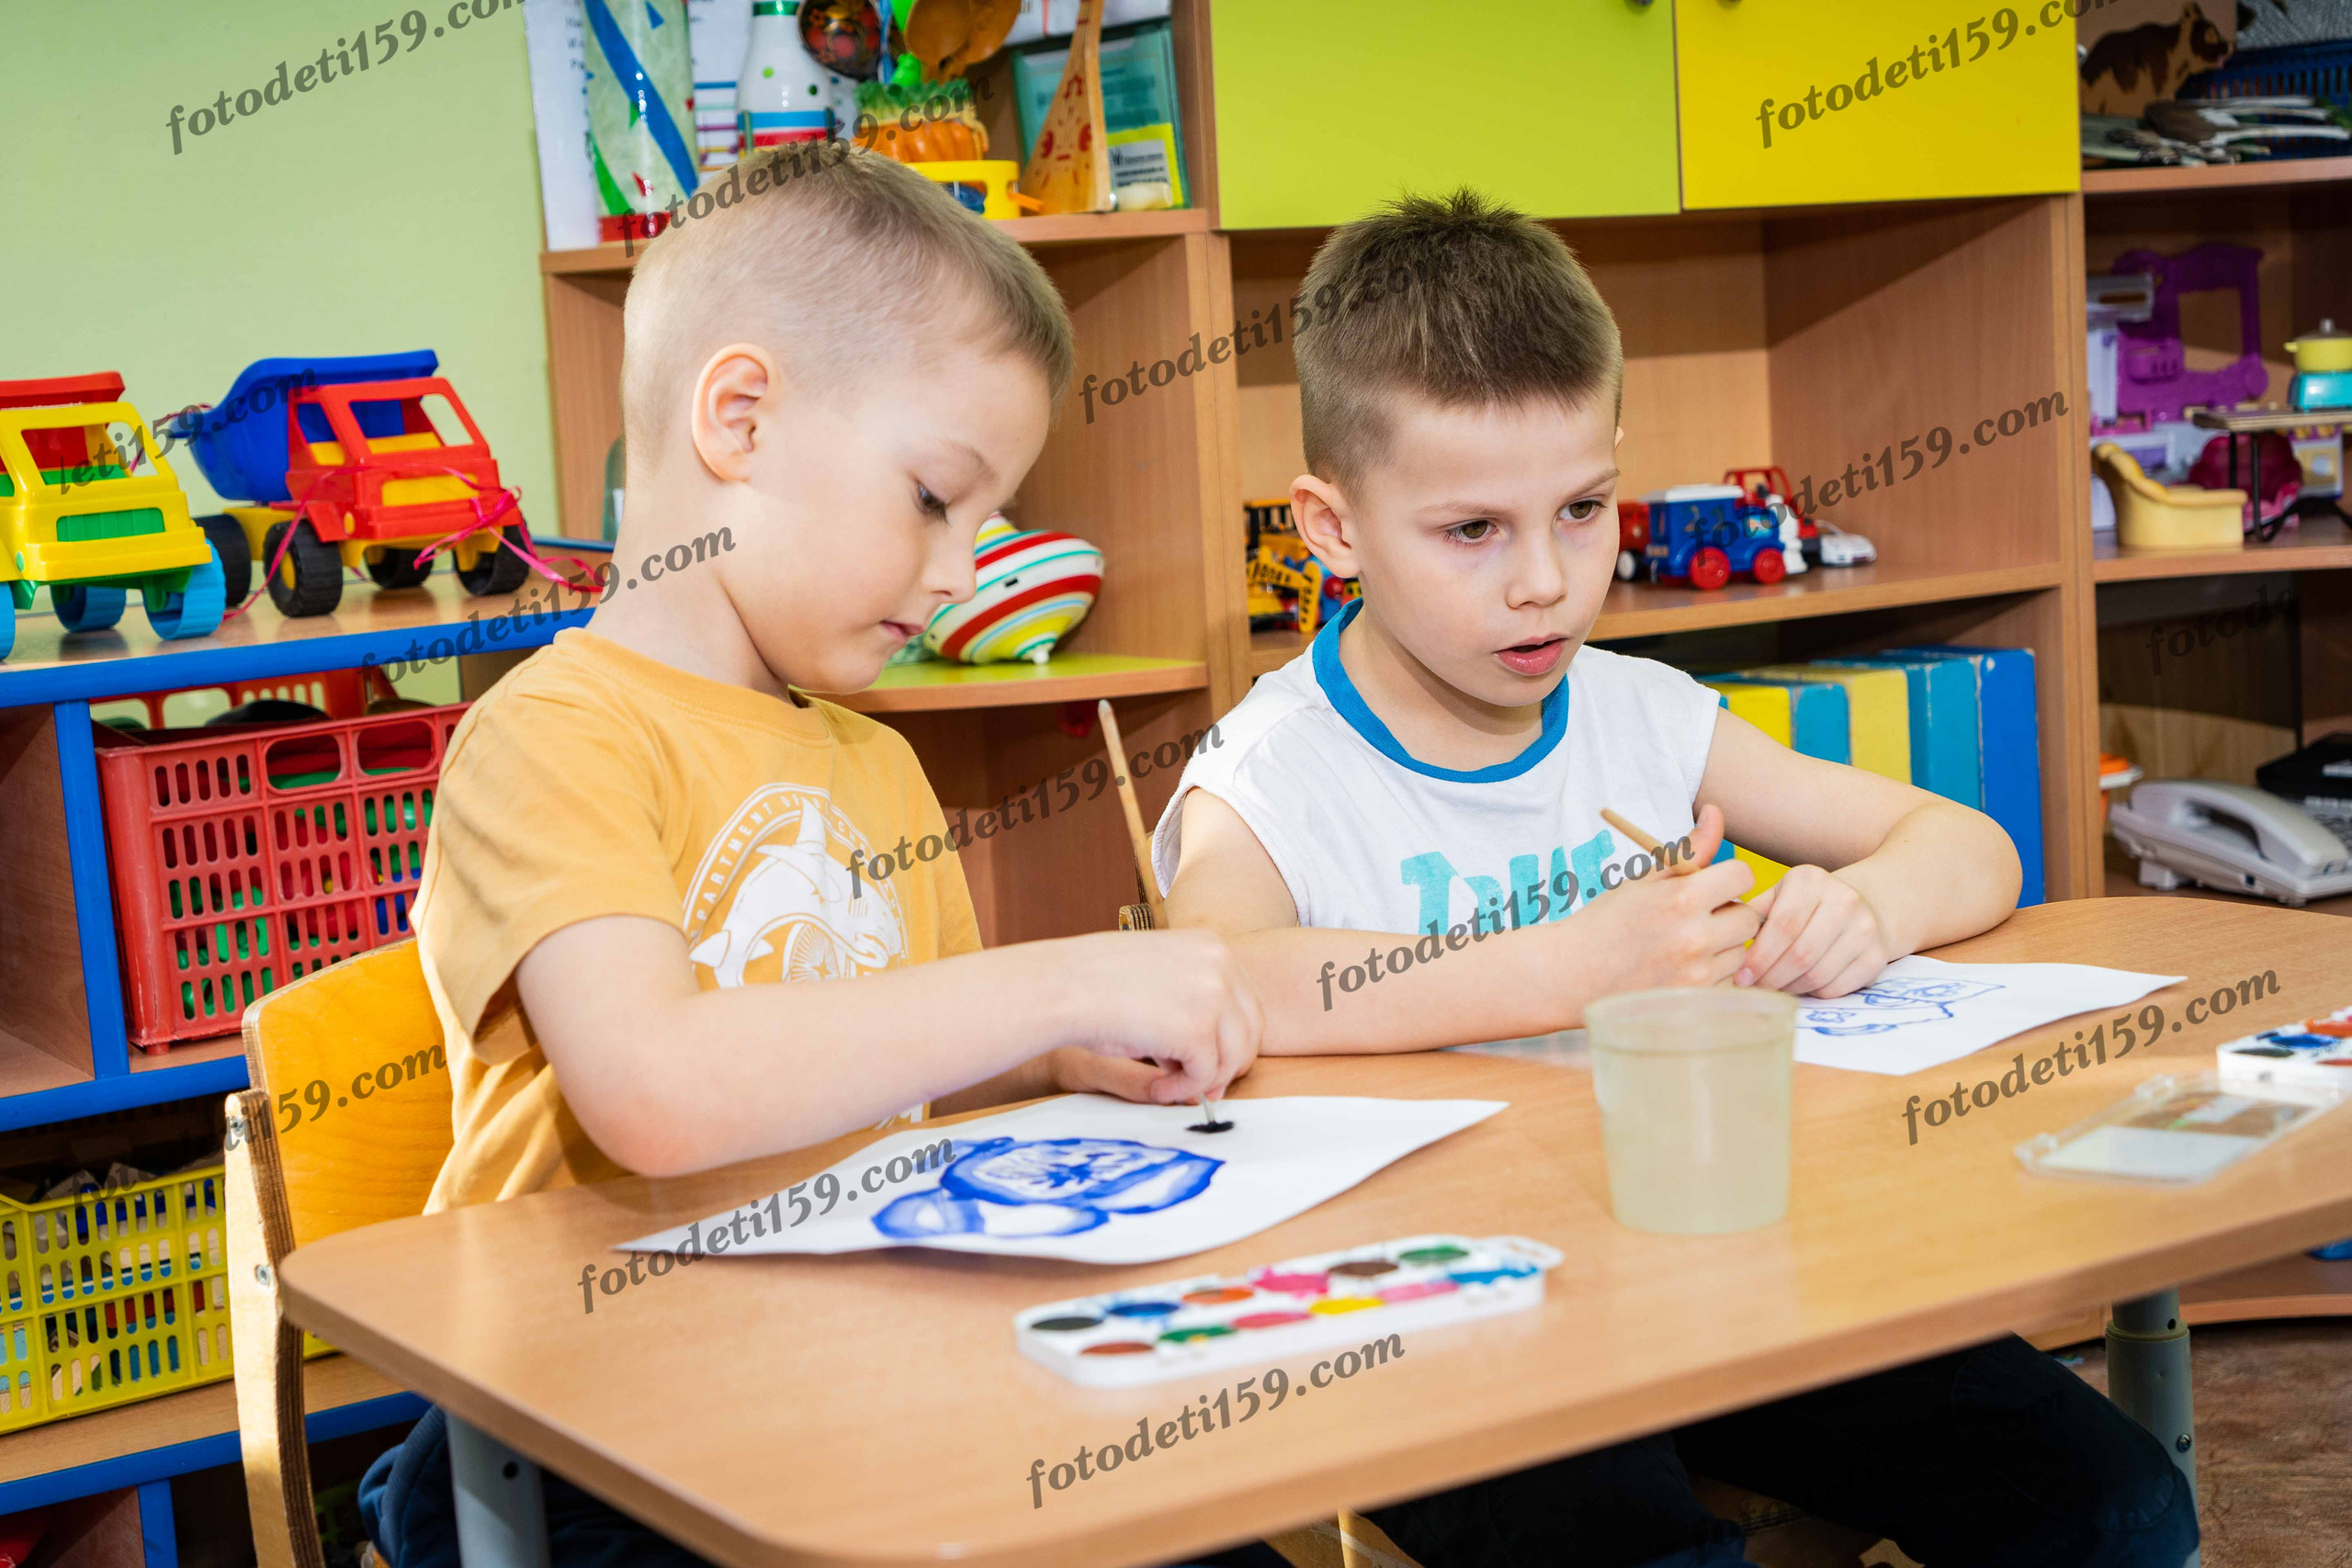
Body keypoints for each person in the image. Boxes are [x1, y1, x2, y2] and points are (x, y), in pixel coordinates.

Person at [1154, 190, 2196, 1567]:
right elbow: (1211, 982)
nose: (1547, 583)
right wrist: (1573, 967)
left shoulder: (1648, 714)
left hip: (1724, 1270)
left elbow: (1973, 844)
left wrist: (1866, 907)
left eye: (1582, 510)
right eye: (1472, 531)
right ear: (1333, 529)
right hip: (1450, 1337)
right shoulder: (1271, 775)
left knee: (2116, 1509)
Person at [356, 147, 1261, 1567]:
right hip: (583, 1440)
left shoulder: (871, 758)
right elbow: (656, 1093)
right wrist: (1060, 982)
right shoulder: (551, 739)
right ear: (741, 418)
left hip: (853, 1371)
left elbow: (907, 1069)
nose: (966, 569)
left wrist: (1052, 1063)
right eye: (933, 499)